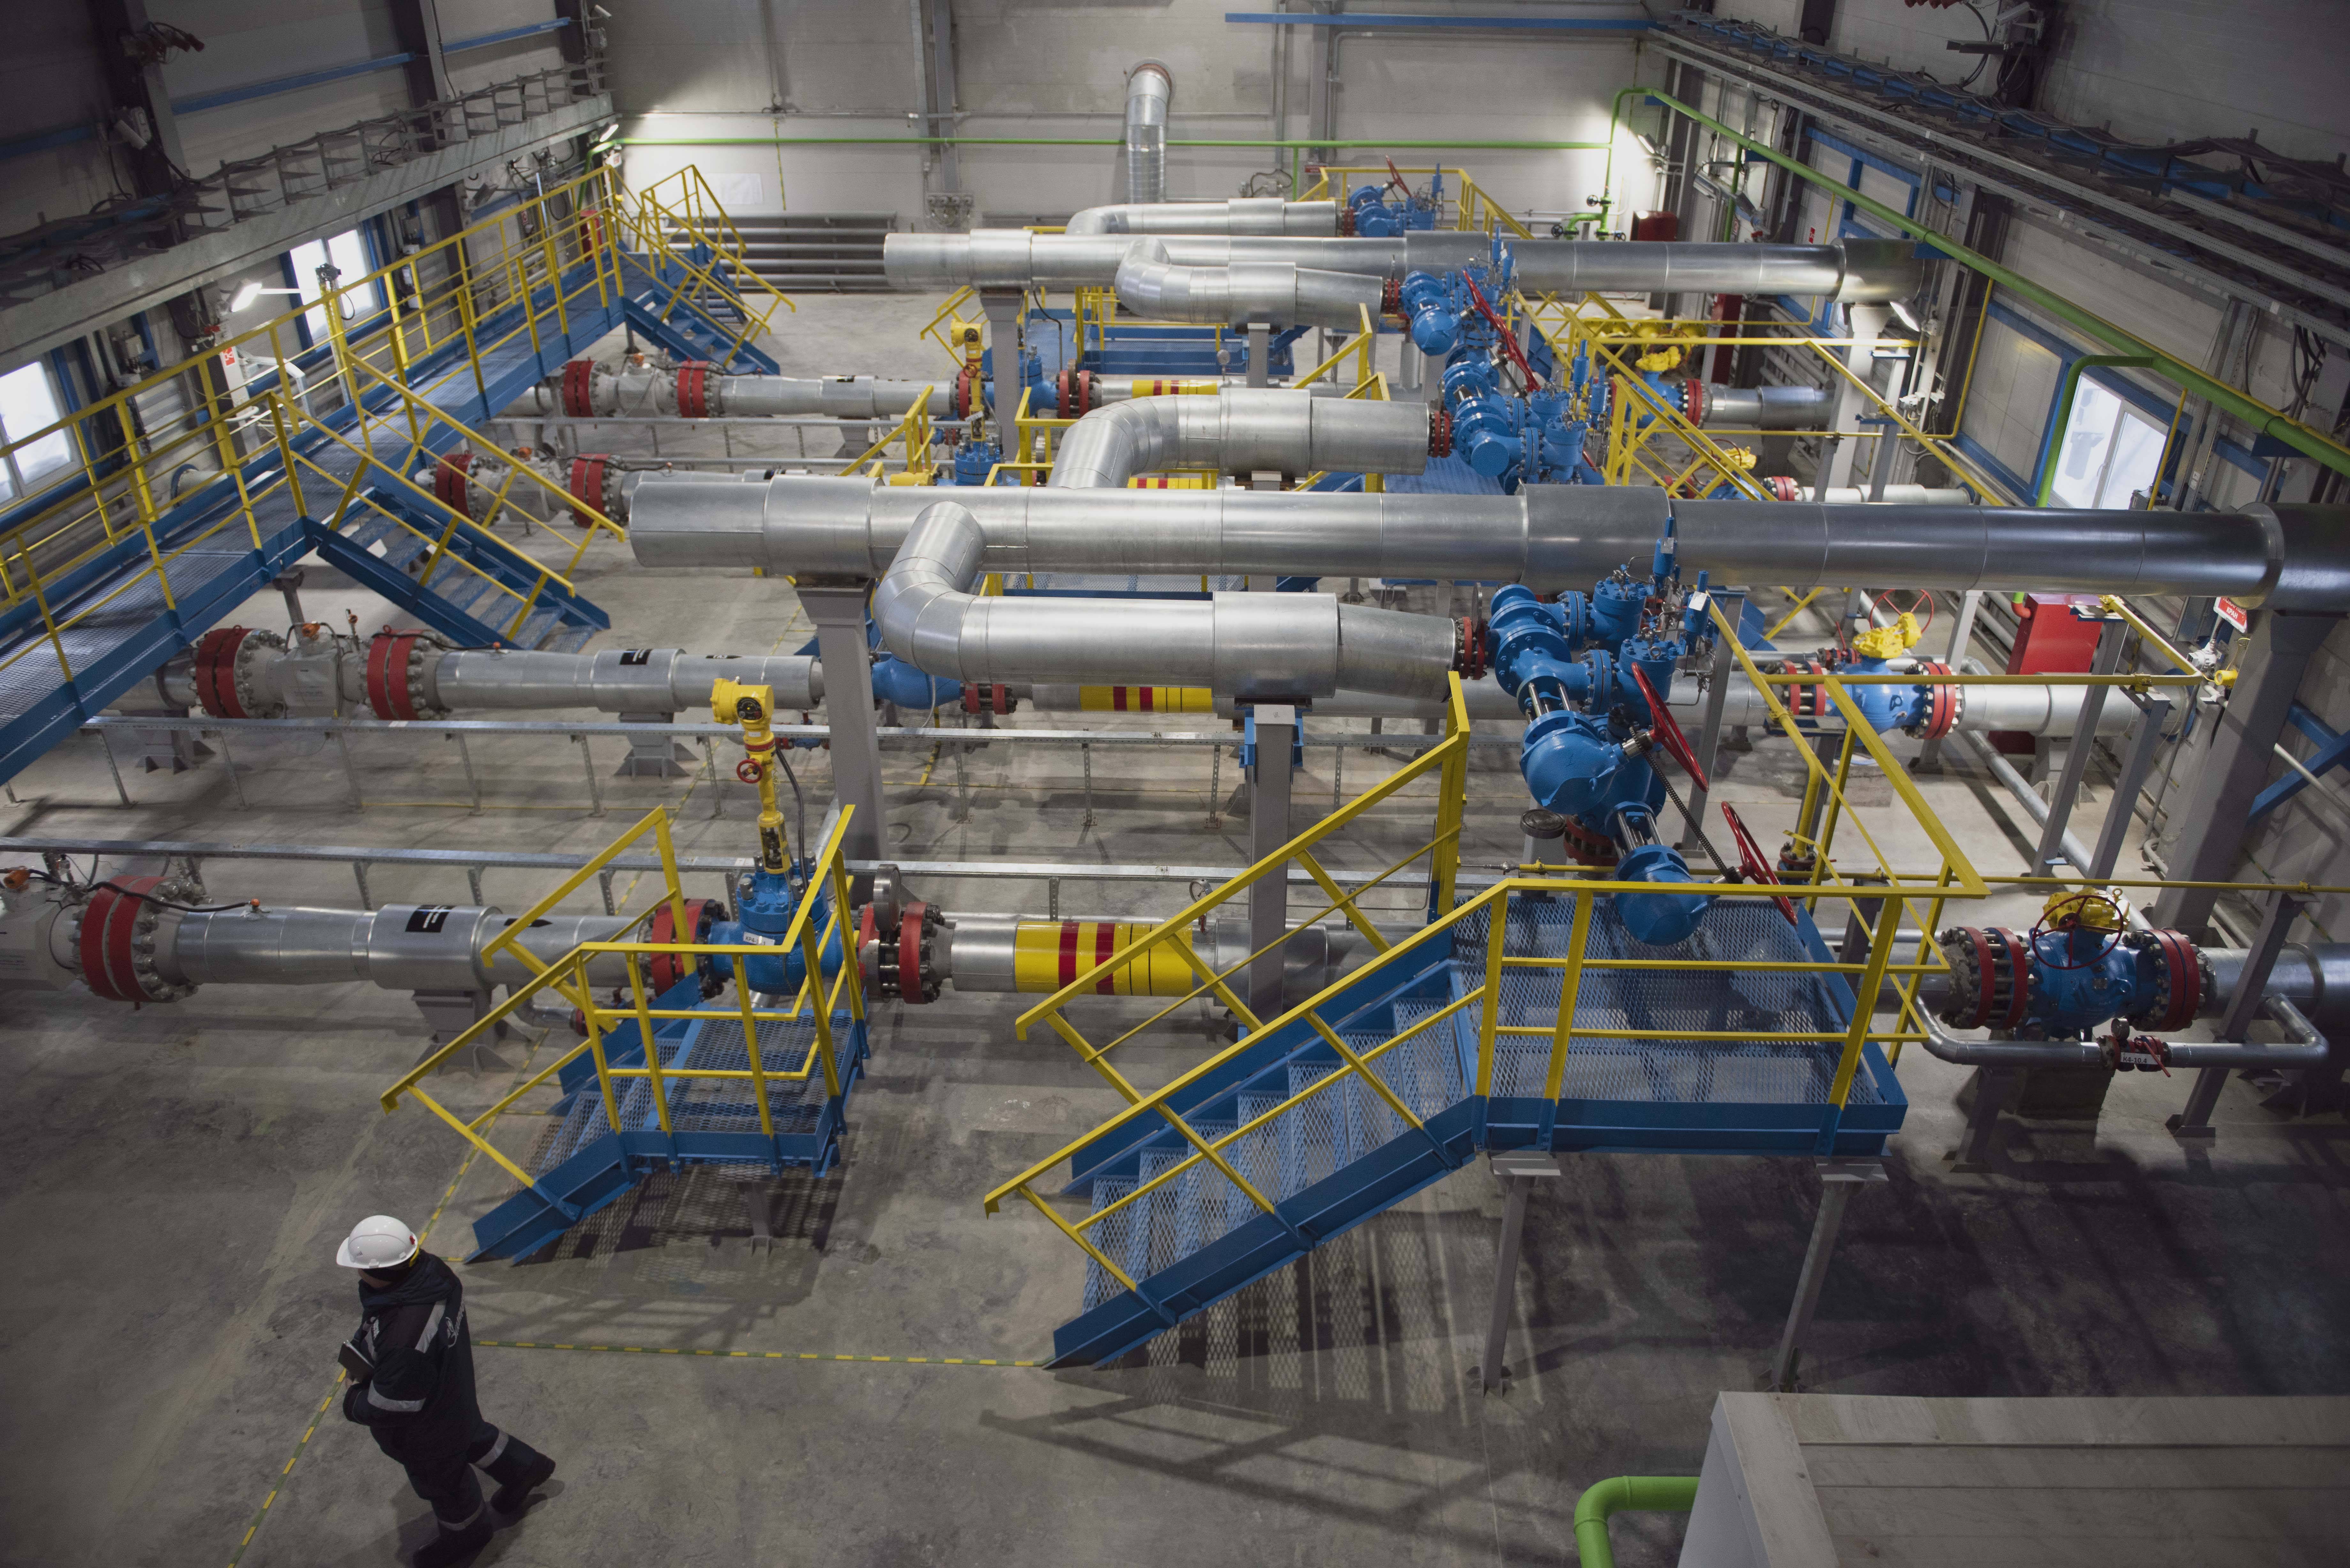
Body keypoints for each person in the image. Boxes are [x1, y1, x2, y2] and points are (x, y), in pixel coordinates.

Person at [335, 1214, 556, 1566]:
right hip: (452, 1388)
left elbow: (390, 1404)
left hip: (425, 1428)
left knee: (444, 1480)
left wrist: (353, 1399)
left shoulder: (404, 1337)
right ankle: (525, 1468)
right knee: (469, 1433)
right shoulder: (432, 1273)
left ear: (377, 1272)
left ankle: (467, 1535)